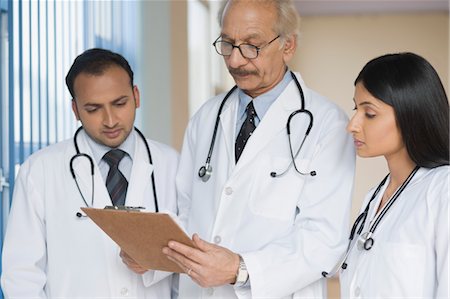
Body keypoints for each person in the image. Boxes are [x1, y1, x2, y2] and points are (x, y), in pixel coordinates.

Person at [160, 0, 355, 297]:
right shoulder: (206, 117)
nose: (236, 61)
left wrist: (240, 268)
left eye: (252, 46)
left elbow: (323, 239)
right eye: (227, 44)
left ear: (288, 46)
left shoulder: (326, 124)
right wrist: (151, 253)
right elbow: (186, 210)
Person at [1, 48, 178, 298]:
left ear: (136, 96)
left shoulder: (172, 165)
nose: (110, 120)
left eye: (119, 103)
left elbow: (190, 263)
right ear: (75, 110)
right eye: (93, 109)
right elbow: (22, 276)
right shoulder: (39, 171)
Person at [339, 52, 449, 298]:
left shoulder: (443, 189)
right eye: (355, 109)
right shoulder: (374, 197)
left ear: (411, 113)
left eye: (369, 113)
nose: (352, 125)